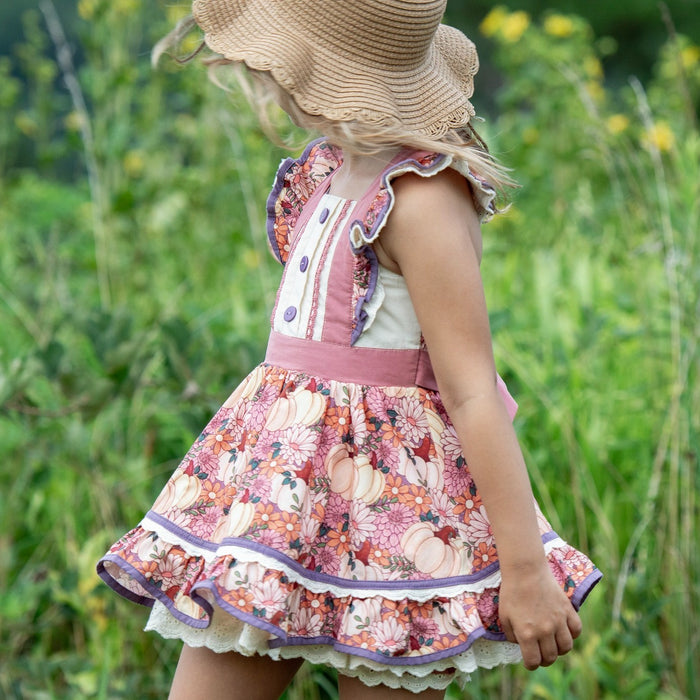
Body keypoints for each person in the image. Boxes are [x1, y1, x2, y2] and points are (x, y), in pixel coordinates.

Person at [97, 1, 601, 697]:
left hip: (394, 518)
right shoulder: (329, 171)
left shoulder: (422, 199)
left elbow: (472, 391)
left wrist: (524, 573)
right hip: (277, 499)